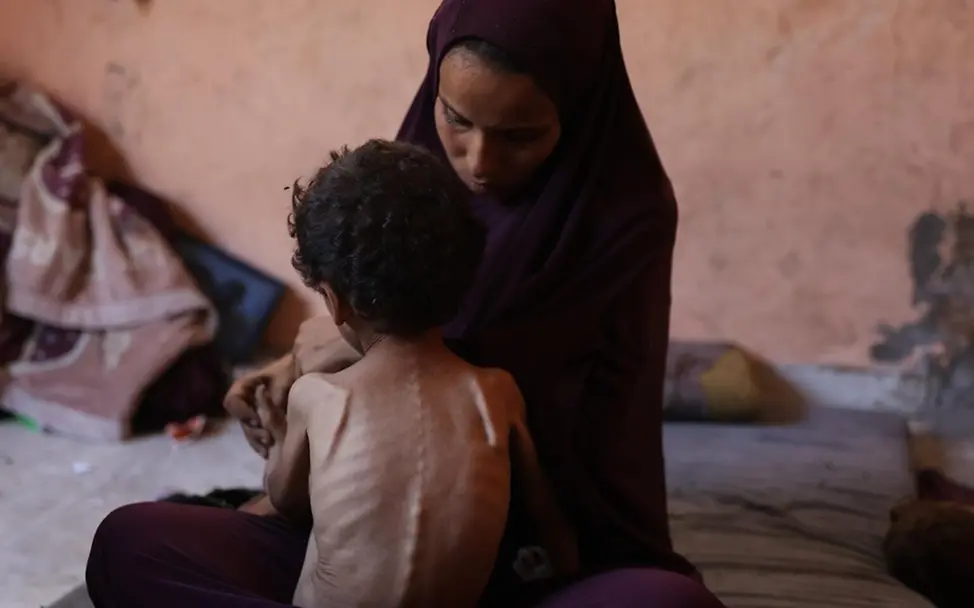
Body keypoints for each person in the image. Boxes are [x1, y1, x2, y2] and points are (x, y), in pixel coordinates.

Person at [85, 0, 727, 606]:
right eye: (457, 118)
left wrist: (328, 365)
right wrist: (294, 372)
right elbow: (381, 307)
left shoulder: (626, 214)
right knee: (129, 542)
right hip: (371, 540)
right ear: (434, 90)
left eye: (521, 134)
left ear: (579, 107)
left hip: (516, 540)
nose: (478, 162)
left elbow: (595, 430)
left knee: (672, 602)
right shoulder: (417, 176)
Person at [260, 139, 578, 607]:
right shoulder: (496, 393)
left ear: (334, 302)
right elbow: (549, 522)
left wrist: (275, 434)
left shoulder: (319, 396)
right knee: (663, 594)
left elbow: (285, 505)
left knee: (135, 536)